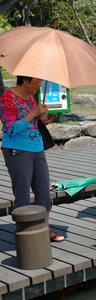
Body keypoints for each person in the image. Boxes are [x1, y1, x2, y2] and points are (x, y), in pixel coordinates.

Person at [0, 76, 64, 241]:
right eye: (37, 81)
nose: (40, 84)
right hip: (17, 150)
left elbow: (37, 122)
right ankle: (25, 234)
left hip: (37, 148)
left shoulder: (32, 96)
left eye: (41, 81)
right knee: (22, 193)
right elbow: (10, 129)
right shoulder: (7, 98)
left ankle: (44, 230)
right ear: (25, 80)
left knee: (43, 192)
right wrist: (33, 113)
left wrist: (43, 115)